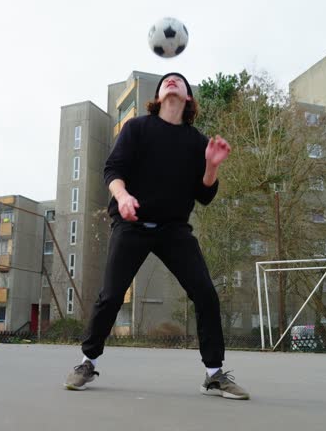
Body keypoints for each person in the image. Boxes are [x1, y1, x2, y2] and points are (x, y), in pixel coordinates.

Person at [63, 72, 249, 400]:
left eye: (179, 80)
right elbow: (113, 170)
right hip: (131, 224)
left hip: (173, 229)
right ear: (159, 95)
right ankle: (87, 363)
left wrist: (212, 167)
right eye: (167, 80)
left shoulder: (196, 142)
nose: (172, 81)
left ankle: (214, 374)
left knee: (205, 294)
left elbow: (204, 195)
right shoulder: (136, 128)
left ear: (188, 98)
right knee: (111, 295)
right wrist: (122, 197)